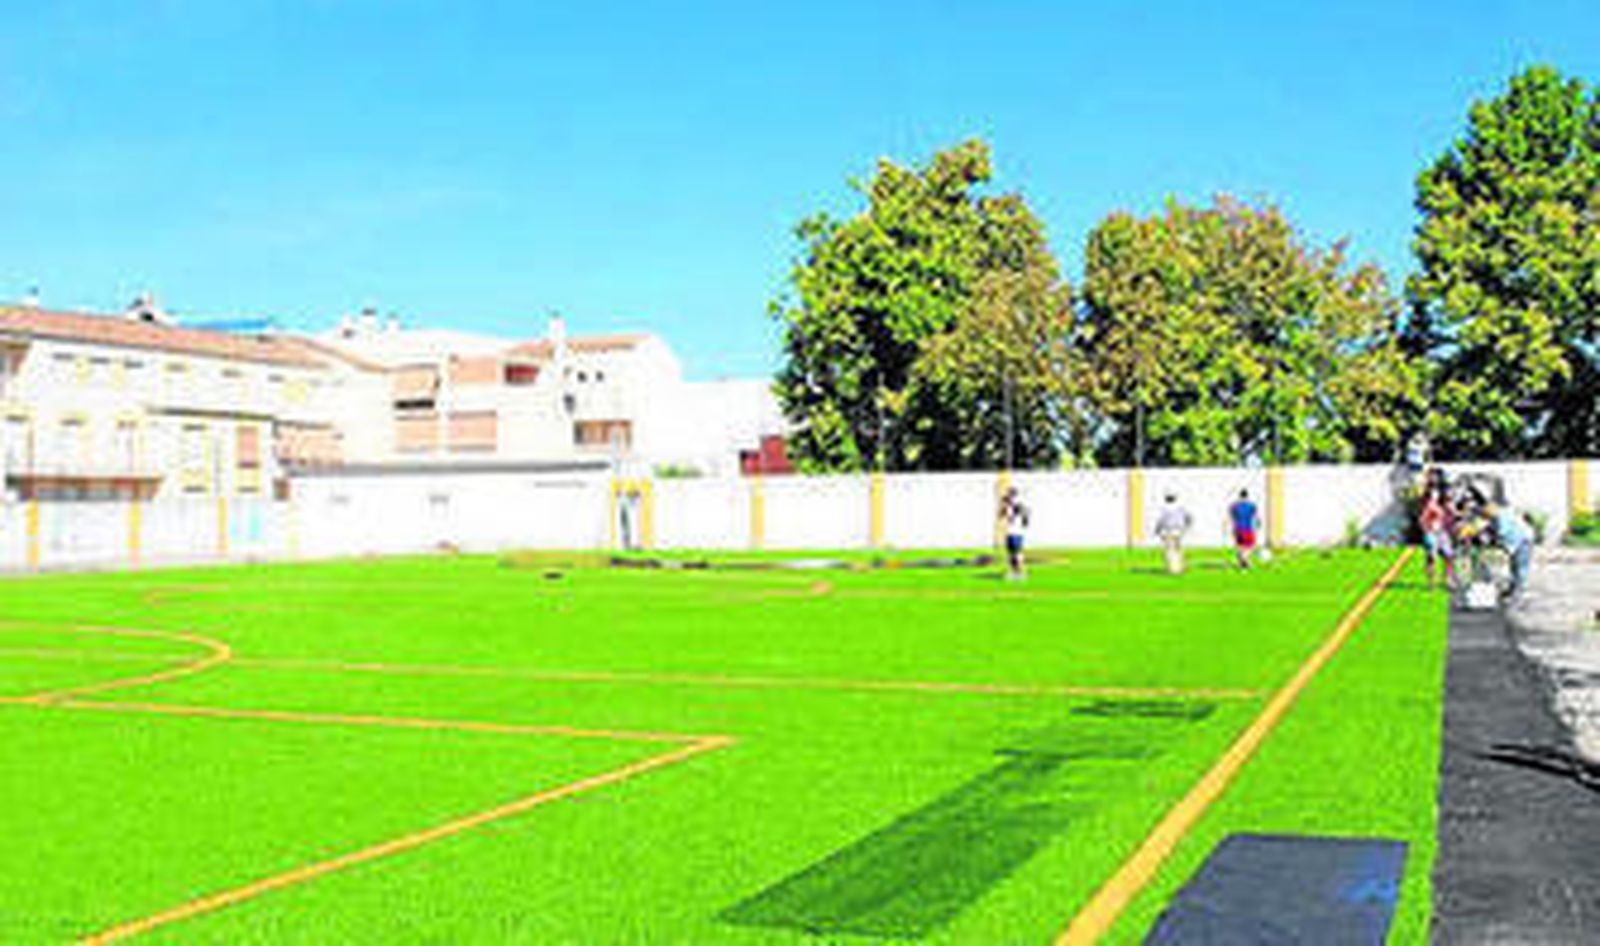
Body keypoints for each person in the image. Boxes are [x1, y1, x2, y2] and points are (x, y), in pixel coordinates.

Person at [1488, 503, 1534, 602]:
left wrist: (1495, 541)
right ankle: (1512, 590)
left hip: (1523, 540)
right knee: (1514, 566)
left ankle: (1519, 592)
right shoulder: (1502, 513)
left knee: (1520, 566)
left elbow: (1503, 533)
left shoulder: (1501, 517)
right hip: (1522, 538)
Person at [1418, 484, 1456, 590]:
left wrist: (1450, 515)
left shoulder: (1441, 505)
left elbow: (1448, 517)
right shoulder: (1427, 507)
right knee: (1432, 558)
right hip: (1431, 533)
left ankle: (1448, 579)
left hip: (1441, 533)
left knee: (1449, 556)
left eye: (1436, 494)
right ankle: (1431, 582)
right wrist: (1427, 531)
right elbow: (1422, 520)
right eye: (1433, 495)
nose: (1435, 496)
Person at [1154, 493, 1192, 575]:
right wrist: (1185, 527)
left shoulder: (1164, 509)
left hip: (1168, 530)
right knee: (1178, 549)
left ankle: (1173, 569)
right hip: (1178, 531)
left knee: (1170, 550)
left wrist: (1157, 530)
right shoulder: (1181, 508)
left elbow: (1161, 520)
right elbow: (1188, 518)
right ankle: (1181, 567)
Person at [998, 486, 1029, 580]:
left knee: (1017, 553)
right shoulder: (1008, 506)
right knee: (1010, 553)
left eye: (1010, 494)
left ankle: (1022, 572)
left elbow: (1024, 516)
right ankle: (1013, 572)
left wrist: (1022, 522)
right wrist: (1004, 505)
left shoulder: (1018, 505)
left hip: (1017, 532)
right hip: (1009, 532)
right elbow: (1000, 515)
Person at [1227, 489, 1261, 570]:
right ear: (1247, 496)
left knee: (1240, 546)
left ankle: (1241, 563)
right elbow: (1256, 517)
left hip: (1237, 528)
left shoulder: (1234, 506)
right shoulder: (1252, 506)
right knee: (1250, 546)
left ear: (1240, 496)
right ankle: (1244, 560)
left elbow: (1232, 517)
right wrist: (1258, 524)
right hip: (1247, 528)